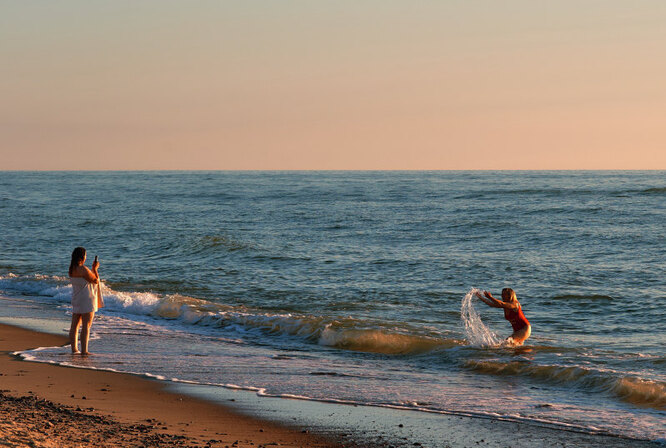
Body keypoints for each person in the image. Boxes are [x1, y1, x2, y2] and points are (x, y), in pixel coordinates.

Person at [68, 247, 100, 355]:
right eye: (85, 255)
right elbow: (96, 280)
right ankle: (84, 350)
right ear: (82, 257)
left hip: (77, 298)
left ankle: (74, 349)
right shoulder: (83, 269)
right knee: (86, 325)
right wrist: (95, 269)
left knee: (75, 325)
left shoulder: (71, 269)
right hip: (87, 299)